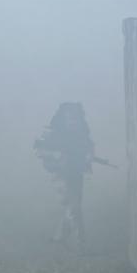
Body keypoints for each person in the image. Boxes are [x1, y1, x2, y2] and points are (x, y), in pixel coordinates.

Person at [34, 103, 95, 250]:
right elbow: (38, 150)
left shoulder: (82, 133)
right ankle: (81, 243)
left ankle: (59, 238)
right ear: (63, 118)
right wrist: (55, 154)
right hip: (59, 174)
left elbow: (89, 147)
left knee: (74, 206)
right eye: (70, 117)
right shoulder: (51, 132)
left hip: (75, 173)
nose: (73, 120)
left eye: (76, 117)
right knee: (73, 207)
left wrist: (88, 156)